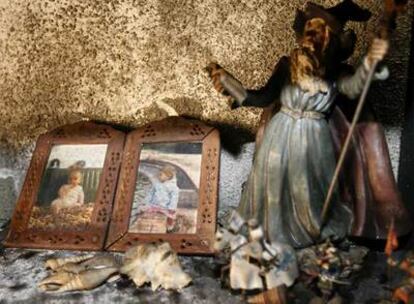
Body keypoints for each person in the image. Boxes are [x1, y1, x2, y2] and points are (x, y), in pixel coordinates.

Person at [207, 1, 410, 248]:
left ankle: (308, 234)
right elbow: (263, 97)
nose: (310, 41)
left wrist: (371, 62)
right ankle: (268, 233)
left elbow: (356, 86)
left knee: (309, 191)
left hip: (314, 138)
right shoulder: (287, 66)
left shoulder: (335, 75)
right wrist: (231, 85)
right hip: (280, 134)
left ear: (328, 41)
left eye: (318, 35)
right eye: (308, 34)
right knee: (273, 187)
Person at [141, 165, 180, 230]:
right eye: (159, 174)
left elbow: (174, 198)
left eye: (161, 175)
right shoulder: (156, 184)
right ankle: (149, 224)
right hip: (154, 204)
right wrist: (146, 202)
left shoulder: (173, 187)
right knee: (145, 210)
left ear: (168, 176)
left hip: (165, 207)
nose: (159, 176)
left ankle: (169, 227)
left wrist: (172, 207)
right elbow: (151, 193)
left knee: (171, 216)